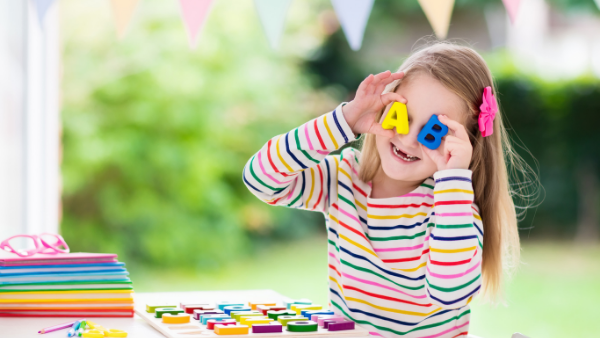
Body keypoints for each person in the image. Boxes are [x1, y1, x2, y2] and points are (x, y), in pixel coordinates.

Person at [242, 41, 534, 338]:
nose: (407, 140)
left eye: (433, 132)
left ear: (463, 142)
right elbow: (260, 178)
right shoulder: (343, 178)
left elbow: (451, 293)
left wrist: (454, 180)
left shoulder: (451, 210)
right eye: (400, 117)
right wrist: (343, 121)